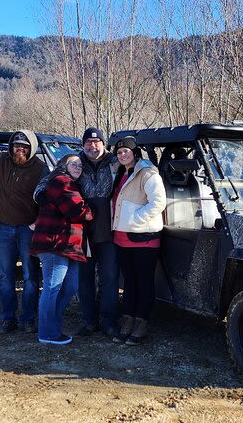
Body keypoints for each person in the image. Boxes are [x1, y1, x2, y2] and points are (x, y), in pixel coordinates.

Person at [30, 154, 93, 345]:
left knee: (70, 286)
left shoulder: (71, 184)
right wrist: (91, 210)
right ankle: (48, 333)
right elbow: (78, 211)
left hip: (69, 244)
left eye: (80, 164)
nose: (78, 167)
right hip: (54, 242)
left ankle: (53, 324)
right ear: (62, 165)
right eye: (73, 163)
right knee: (52, 287)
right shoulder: (61, 181)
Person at [110, 136, 166, 345]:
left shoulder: (148, 173)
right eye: (119, 152)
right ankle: (128, 320)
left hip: (143, 238)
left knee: (144, 283)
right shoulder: (121, 173)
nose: (123, 155)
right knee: (130, 283)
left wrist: (136, 219)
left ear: (135, 152)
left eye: (126, 151)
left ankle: (141, 323)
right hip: (121, 237)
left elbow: (158, 202)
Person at [0, 130, 49, 334]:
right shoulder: (1, 161)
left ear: (31, 148)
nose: (20, 149)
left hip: (28, 228)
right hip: (4, 227)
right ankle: (8, 319)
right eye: (17, 145)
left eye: (24, 146)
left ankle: (28, 319)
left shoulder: (41, 169)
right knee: (5, 276)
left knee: (30, 276)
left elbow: (48, 198)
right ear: (11, 146)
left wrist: (38, 221)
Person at [73, 127, 120, 337]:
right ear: (83, 145)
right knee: (85, 277)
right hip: (83, 231)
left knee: (110, 276)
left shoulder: (115, 162)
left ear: (103, 143)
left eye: (97, 142)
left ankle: (108, 320)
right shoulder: (74, 163)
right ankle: (88, 319)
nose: (93, 146)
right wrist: (42, 195)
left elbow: (140, 169)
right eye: (88, 143)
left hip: (109, 230)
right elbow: (51, 180)